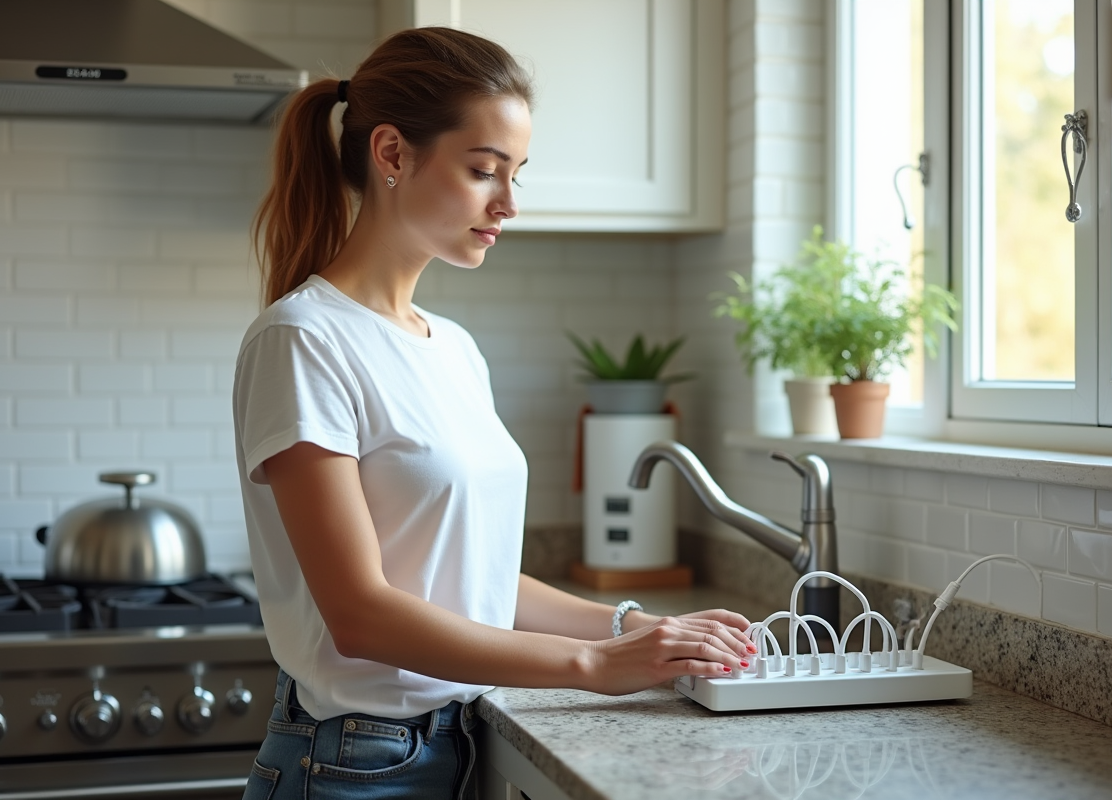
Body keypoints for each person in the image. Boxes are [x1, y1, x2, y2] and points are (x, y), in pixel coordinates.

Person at [233, 27, 754, 800]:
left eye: (516, 175)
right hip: (352, 770)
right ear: (392, 154)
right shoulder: (303, 340)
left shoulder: (453, 348)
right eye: (484, 171)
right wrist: (593, 668)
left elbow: (470, 578)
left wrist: (627, 628)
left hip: (456, 745)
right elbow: (361, 615)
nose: (509, 204)